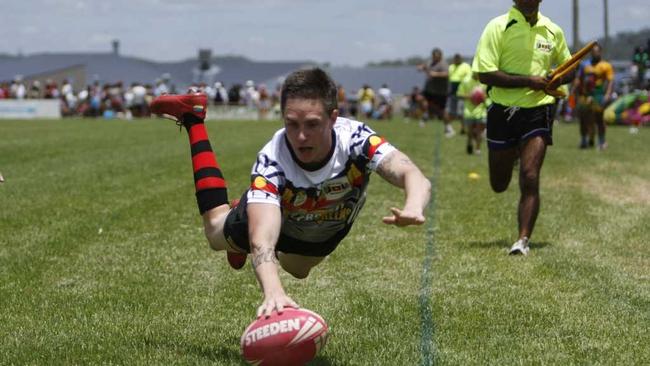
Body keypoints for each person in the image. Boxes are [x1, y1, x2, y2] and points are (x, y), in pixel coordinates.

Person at [149, 68, 431, 317]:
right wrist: (273, 292)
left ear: (333, 118)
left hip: (321, 234)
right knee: (215, 232)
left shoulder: (357, 140)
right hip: (276, 217)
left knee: (298, 269)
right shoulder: (272, 161)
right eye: (291, 124)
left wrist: (414, 206)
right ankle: (193, 118)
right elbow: (262, 243)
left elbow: (411, 174)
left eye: (311, 124)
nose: (301, 137)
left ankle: (248, 220)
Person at [472, 0, 572, 255]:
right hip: (502, 111)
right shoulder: (497, 27)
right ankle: (514, 153)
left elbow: (570, 66)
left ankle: (522, 240)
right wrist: (529, 81)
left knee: (529, 176)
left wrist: (558, 77)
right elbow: (485, 74)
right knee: (499, 183)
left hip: (539, 110)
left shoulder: (552, 30)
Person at [574, 43, 614, 150]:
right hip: (585, 95)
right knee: (583, 119)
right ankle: (584, 141)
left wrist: (608, 94)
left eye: (596, 51)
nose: (594, 53)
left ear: (600, 52)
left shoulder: (606, 66)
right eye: (592, 52)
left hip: (599, 94)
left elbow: (610, 81)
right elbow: (579, 79)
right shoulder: (584, 65)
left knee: (599, 119)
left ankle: (601, 142)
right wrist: (575, 92)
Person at [418, 48, 453, 135]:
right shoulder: (430, 62)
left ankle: (448, 127)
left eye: (436, 57)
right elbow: (425, 66)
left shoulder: (443, 64)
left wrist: (435, 74)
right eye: (433, 56)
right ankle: (426, 114)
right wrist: (421, 67)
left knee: (442, 111)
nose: (434, 58)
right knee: (420, 99)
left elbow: (446, 74)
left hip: (441, 92)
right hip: (429, 89)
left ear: (440, 56)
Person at [457, 73, 488, 155]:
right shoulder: (465, 80)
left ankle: (478, 149)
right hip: (469, 112)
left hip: (481, 111)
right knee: (470, 132)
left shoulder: (485, 81)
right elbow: (459, 94)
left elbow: (489, 95)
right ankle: (469, 143)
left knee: (479, 131)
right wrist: (471, 96)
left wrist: (483, 97)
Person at [448, 54, 472, 133]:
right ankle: (449, 127)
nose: (457, 60)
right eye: (456, 58)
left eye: (458, 58)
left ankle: (463, 128)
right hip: (452, 92)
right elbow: (449, 78)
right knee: (451, 111)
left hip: (462, 93)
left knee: (460, 112)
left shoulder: (466, 66)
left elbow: (469, 78)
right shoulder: (451, 67)